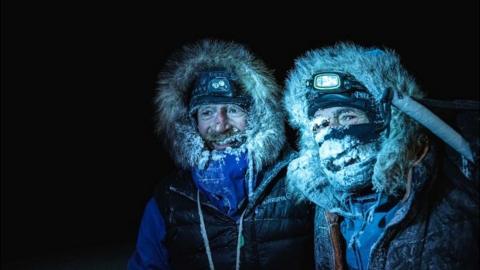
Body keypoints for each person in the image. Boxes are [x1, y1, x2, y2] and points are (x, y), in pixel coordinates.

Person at [283, 42, 479, 269]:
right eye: (320, 124)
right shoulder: (326, 205)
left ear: (384, 121)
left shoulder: (453, 184)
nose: (332, 133)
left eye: (347, 117)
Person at [128, 39, 314, 270]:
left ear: (257, 115)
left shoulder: (299, 181)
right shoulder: (170, 198)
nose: (221, 125)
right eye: (207, 112)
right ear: (191, 123)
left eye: (234, 110)